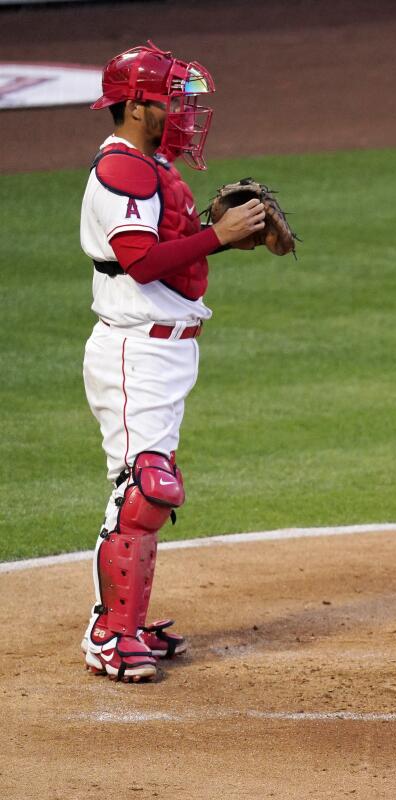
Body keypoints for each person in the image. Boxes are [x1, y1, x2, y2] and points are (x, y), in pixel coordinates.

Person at [79, 41, 266, 682]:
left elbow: (168, 252)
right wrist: (219, 235)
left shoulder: (152, 166)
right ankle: (110, 634)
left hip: (162, 351)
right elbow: (138, 260)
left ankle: (128, 624)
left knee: (148, 489)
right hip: (136, 349)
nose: (185, 111)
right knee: (144, 490)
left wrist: (217, 233)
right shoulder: (125, 170)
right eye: (174, 99)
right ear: (136, 105)